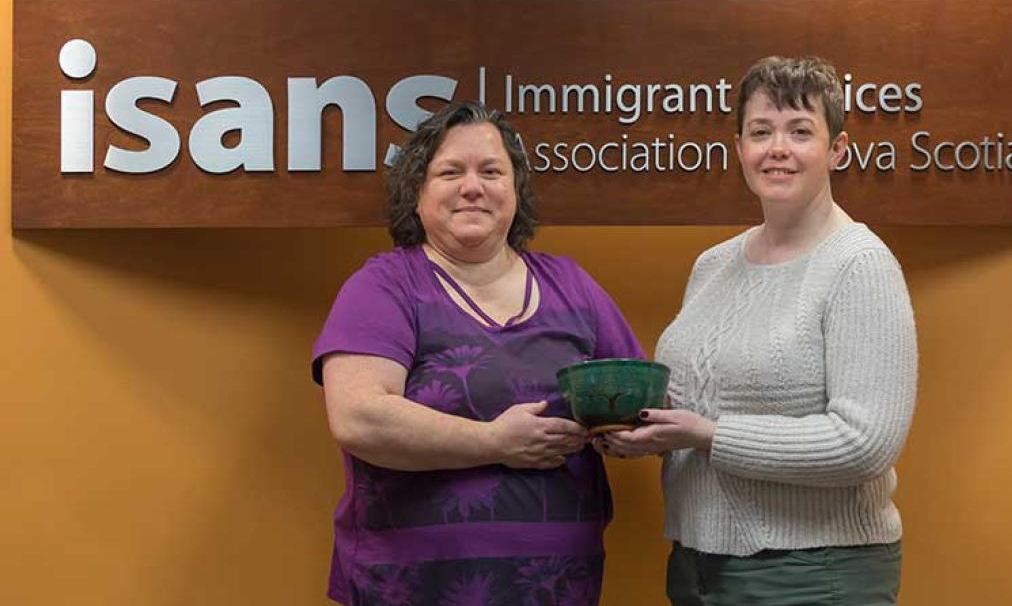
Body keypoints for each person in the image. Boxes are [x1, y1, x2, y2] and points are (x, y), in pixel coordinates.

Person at [598, 56, 918, 605]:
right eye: (761, 131)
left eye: (800, 132)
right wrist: (646, 431)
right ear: (740, 147)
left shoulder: (859, 264)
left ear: (837, 149)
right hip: (697, 571)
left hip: (815, 575)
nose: (778, 149)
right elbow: (701, 407)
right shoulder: (713, 264)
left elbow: (865, 444)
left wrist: (705, 433)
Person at [312, 100, 643, 606]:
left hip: (557, 588)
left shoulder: (572, 286)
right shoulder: (384, 287)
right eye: (450, 172)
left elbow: (633, 395)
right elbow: (360, 419)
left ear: (515, 190)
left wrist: (631, 429)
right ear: (417, 193)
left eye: (492, 171)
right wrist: (494, 442)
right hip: (411, 590)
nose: (473, 186)